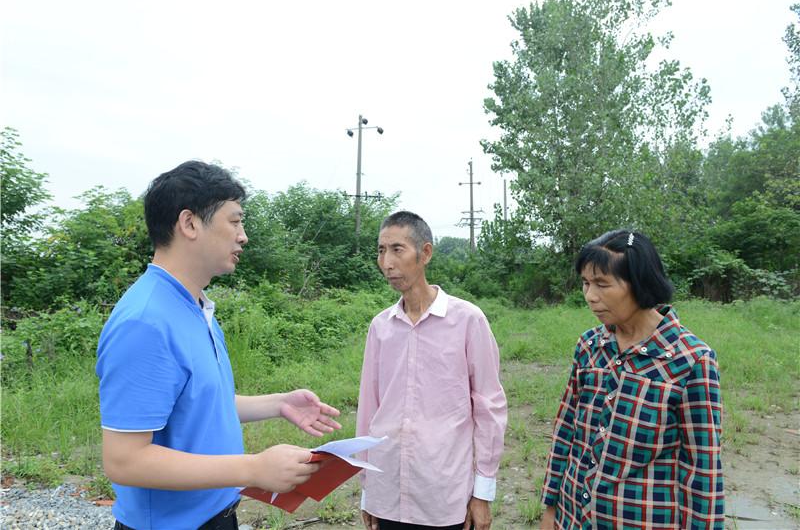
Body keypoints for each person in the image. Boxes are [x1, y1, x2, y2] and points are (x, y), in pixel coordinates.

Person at [96, 161, 342, 530]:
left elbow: (196, 406)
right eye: (235, 221)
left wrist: (278, 403)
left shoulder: (196, 306)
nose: (243, 236)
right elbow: (125, 461)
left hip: (216, 516)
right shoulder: (145, 321)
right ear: (190, 223)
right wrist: (254, 468)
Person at [540, 230, 724, 530]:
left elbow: (702, 470)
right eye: (586, 283)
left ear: (640, 284)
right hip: (574, 516)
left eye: (602, 284)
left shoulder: (690, 360)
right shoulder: (589, 347)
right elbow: (566, 432)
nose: (590, 296)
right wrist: (551, 508)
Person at [356, 211, 508, 530]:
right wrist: (368, 490)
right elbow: (368, 410)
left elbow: (489, 407)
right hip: (388, 490)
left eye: (397, 249)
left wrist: (482, 492)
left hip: (444, 492)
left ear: (425, 253)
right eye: (381, 251)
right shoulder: (381, 327)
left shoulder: (468, 320)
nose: (387, 262)